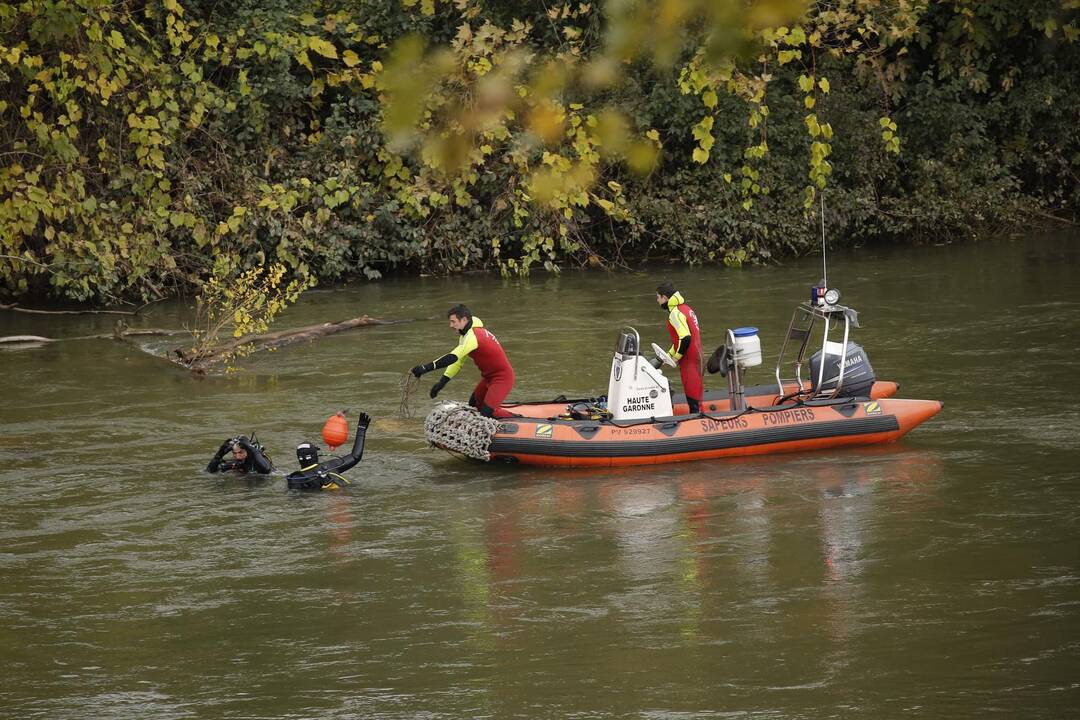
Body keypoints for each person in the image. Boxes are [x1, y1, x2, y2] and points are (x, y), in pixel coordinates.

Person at [410, 304, 517, 419]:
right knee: (473, 405)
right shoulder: (466, 335)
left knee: (486, 413)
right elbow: (458, 362)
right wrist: (441, 383)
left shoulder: (473, 336)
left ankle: (519, 418)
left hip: (502, 378)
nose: (450, 325)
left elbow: (452, 357)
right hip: (488, 378)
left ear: (464, 320)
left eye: (453, 321)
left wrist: (425, 368)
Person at [653, 281, 705, 414]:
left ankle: (696, 418)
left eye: (658, 297)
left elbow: (685, 337)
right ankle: (698, 413)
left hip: (689, 359)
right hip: (697, 354)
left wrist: (676, 357)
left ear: (665, 298)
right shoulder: (686, 308)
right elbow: (680, 340)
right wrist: (668, 355)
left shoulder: (675, 313)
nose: (657, 300)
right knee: (697, 389)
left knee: (692, 389)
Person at [286, 412, 371, 490]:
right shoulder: (330, 466)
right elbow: (355, 456)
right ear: (315, 455)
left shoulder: (294, 479)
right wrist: (361, 429)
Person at [206, 435, 273, 474]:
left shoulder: (260, 459)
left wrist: (251, 449)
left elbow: (267, 470)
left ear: (248, 451)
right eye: (234, 453)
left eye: (241, 452)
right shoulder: (234, 463)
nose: (237, 457)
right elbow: (209, 472)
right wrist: (220, 454)